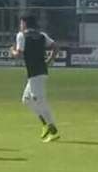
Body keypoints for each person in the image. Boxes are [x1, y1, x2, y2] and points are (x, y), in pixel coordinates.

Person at [10, 13, 60, 141]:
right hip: (39, 72)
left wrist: (12, 51)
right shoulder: (42, 35)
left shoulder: (21, 36)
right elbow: (55, 46)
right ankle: (45, 124)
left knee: (40, 101)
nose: (20, 25)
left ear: (25, 23)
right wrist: (50, 60)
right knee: (26, 100)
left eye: (21, 23)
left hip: (36, 73)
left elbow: (19, 54)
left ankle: (53, 130)